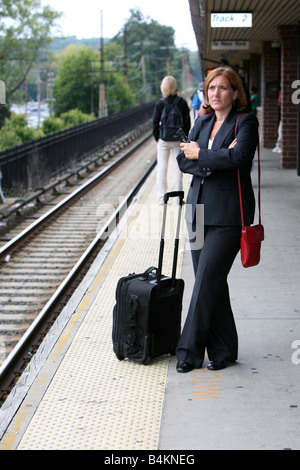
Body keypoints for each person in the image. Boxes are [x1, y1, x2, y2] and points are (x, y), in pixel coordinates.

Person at [175, 66, 259, 373]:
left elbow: (241, 159)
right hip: (196, 212)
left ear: (235, 93)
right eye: (212, 88)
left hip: (228, 214)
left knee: (205, 281)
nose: (216, 93)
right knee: (210, 282)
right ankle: (224, 351)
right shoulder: (202, 120)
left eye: (223, 88)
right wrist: (215, 158)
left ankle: (188, 352)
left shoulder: (245, 121)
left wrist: (203, 156)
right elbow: (183, 159)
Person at [152, 76, 190, 204]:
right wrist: (184, 139)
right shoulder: (182, 103)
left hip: (164, 139)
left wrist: (158, 138)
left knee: (162, 167)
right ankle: (177, 198)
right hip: (178, 140)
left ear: (163, 88)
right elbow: (187, 122)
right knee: (178, 167)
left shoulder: (160, 103)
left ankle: (161, 198)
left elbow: (155, 122)